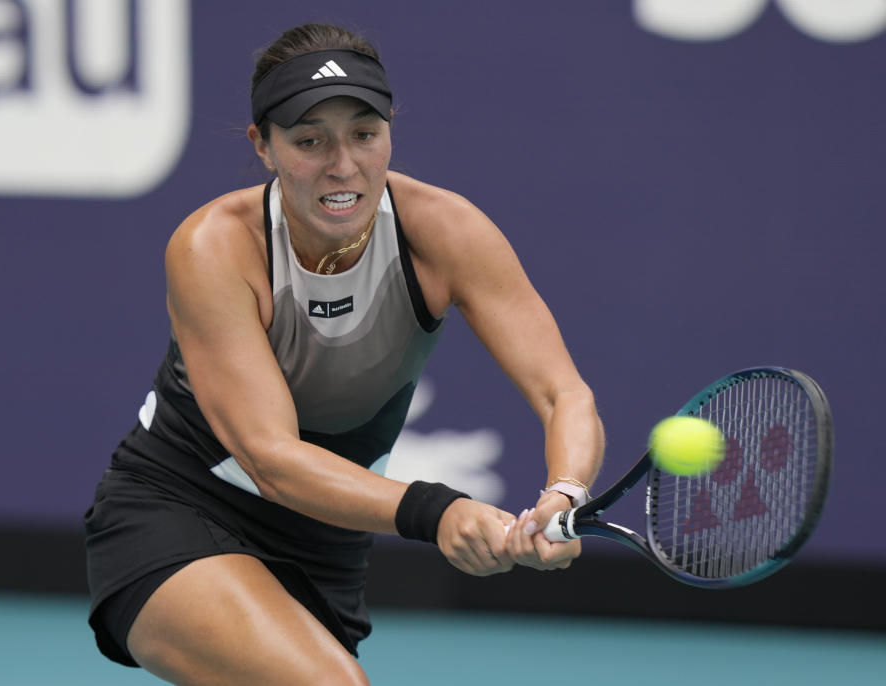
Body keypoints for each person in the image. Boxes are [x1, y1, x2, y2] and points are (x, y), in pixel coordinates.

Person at [84, 22, 604, 686]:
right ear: (263, 146)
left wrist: (563, 495)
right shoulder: (214, 248)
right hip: (179, 510)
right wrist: (438, 509)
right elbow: (271, 461)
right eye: (309, 141)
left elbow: (565, 394)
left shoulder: (445, 232)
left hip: (327, 545)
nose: (343, 164)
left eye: (364, 134)